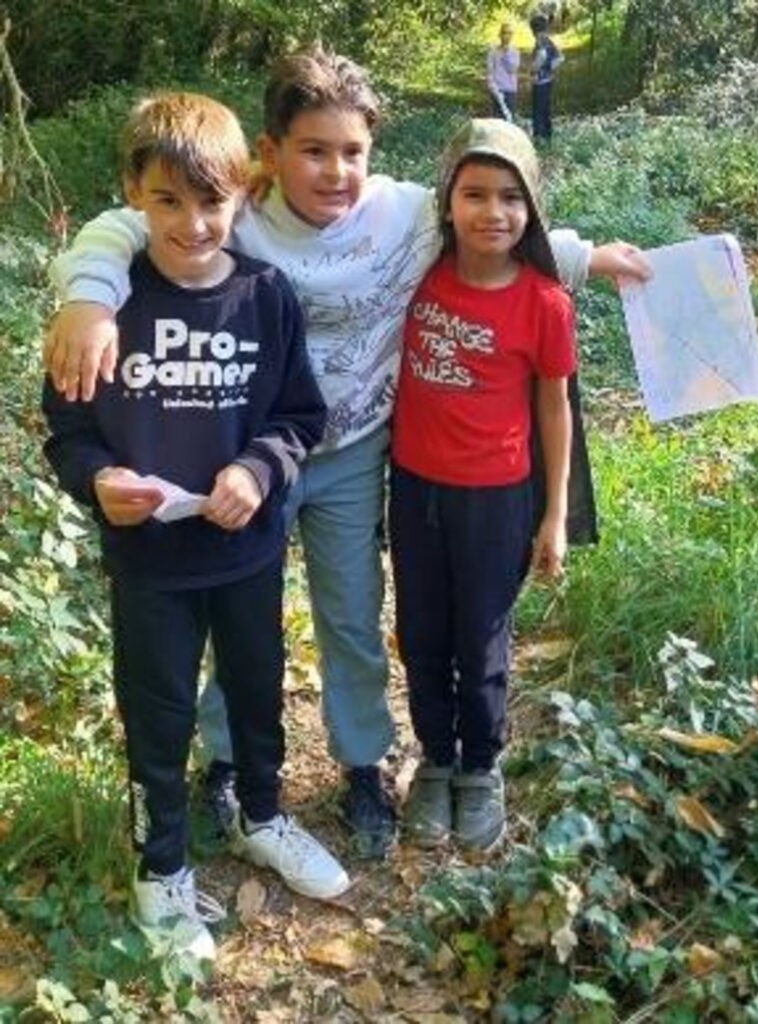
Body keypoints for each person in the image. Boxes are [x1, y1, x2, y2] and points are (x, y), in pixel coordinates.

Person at [42, 47, 651, 861]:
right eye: (313, 151)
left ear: (373, 151)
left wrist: (588, 257)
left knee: (353, 614)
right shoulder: (236, 211)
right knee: (234, 614)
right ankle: (225, 760)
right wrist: (88, 297)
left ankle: (363, 764)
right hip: (244, 457)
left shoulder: (403, 214)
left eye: (353, 151)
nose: (336, 171)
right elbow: (127, 223)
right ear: (268, 154)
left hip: (352, 454)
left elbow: (491, 216)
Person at [41, 92, 350, 961]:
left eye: (212, 201)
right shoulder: (105, 309)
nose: (193, 223)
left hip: (247, 551)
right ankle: (162, 866)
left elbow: (298, 416)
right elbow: (67, 432)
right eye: (167, 201)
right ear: (130, 194)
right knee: (160, 715)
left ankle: (262, 815)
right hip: (150, 566)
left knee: (256, 692)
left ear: (243, 192)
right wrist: (98, 480)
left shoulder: (265, 295)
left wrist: (256, 471)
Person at [391, 118, 575, 851]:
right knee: (423, 631)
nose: (492, 212)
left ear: (531, 208)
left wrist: (553, 515)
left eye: (510, 197)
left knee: (483, 636)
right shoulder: (418, 278)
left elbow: (555, 407)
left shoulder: (544, 302)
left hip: (496, 499)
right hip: (414, 489)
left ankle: (480, 766)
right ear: (447, 200)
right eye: (474, 194)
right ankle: (436, 759)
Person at [530, 13, 563, 141]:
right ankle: (548, 136)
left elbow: (542, 56)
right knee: (546, 109)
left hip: (539, 82)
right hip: (548, 80)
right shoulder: (549, 41)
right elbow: (560, 58)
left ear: (534, 30)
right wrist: (550, 67)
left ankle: (539, 138)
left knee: (538, 111)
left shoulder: (540, 42)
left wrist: (534, 69)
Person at [487, 22, 520, 122]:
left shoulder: (515, 52)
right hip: (497, 90)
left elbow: (512, 69)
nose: (507, 36)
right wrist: (493, 88)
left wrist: (506, 54)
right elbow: (490, 72)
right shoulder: (492, 52)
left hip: (510, 90)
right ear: (500, 35)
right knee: (497, 121)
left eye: (510, 33)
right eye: (505, 33)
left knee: (509, 120)